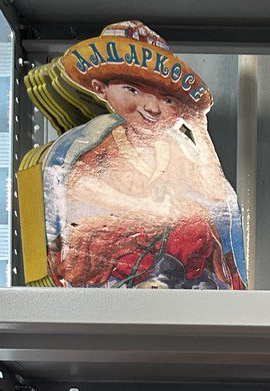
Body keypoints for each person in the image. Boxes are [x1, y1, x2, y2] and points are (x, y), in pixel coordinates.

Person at [39, 21, 247, 288]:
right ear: (101, 89)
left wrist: (199, 130)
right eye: (132, 90)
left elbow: (216, 197)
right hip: (117, 256)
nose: (151, 107)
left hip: (174, 269)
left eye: (166, 99)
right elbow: (77, 186)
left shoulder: (176, 148)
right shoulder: (100, 138)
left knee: (197, 223)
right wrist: (139, 206)